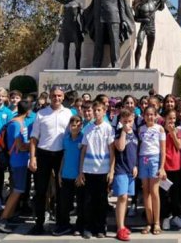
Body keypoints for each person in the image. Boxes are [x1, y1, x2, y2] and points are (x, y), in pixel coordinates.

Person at [28, 86, 72, 235]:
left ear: (63, 97)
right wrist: (32, 157)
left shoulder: (69, 113)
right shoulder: (41, 114)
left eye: (59, 96)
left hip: (61, 155)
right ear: (50, 97)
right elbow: (34, 138)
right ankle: (39, 223)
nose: (56, 98)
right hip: (43, 154)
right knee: (41, 191)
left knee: (62, 191)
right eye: (54, 95)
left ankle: (62, 223)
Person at [78, 101, 115, 239]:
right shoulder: (88, 128)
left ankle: (100, 228)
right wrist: (81, 171)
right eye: (95, 110)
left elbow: (112, 152)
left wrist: (111, 171)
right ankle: (88, 227)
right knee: (88, 200)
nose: (97, 112)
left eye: (99, 110)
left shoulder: (108, 128)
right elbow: (83, 150)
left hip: (103, 170)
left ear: (104, 111)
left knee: (101, 200)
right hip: (88, 169)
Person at [0, 100, 32, 234]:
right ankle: (2, 219)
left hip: (19, 161)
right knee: (17, 190)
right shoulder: (16, 124)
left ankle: (8, 215)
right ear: (28, 111)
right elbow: (19, 145)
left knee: (18, 190)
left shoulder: (19, 122)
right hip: (17, 161)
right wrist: (33, 146)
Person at [40, 0, 84, 69]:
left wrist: (83, 28)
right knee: (66, 47)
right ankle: (65, 66)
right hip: (66, 27)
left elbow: (82, 17)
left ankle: (77, 65)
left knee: (78, 47)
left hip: (75, 27)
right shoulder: (66, 2)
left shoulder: (79, 4)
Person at [138, 106, 166, 235]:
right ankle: (149, 222)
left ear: (156, 116)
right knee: (146, 192)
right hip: (143, 160)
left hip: (155, 160)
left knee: (155, 192)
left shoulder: (160, 129)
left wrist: (162, 167)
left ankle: (157, 222)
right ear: (144, 116)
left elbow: (163, 150)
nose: (149, 117)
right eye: (147, 114)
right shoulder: (140, 129)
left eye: (152, 114)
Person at [112, 109, 138, 241]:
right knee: (122, 197)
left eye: (130, 121)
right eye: (125, 121)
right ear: (121, 121)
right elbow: (121, 147)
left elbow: (135, 151)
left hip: (130, 170)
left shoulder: (135, 134)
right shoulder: (117, 133)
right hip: (120, 169)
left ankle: (122, 224)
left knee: (126, 198)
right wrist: (123, 131)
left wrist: (136, 165)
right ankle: (119, 227)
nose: (128, 124)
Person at [160, 109, 181, 230]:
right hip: (164, 166)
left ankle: (176, 216)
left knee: (175, 193)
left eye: (174, 118)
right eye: (169, 118)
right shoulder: (160, 130)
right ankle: (165, 217)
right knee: (164, 194)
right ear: (165, 118)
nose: (172, 121)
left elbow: (179, 146)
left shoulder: (177, 130)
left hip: (176, 166)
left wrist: (173, 133)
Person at [0, 88, 14, 211]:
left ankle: (9, 197)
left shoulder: (8, 112)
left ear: (5, 98)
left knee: (8, 172)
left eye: (2, 96)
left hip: (5, 147)